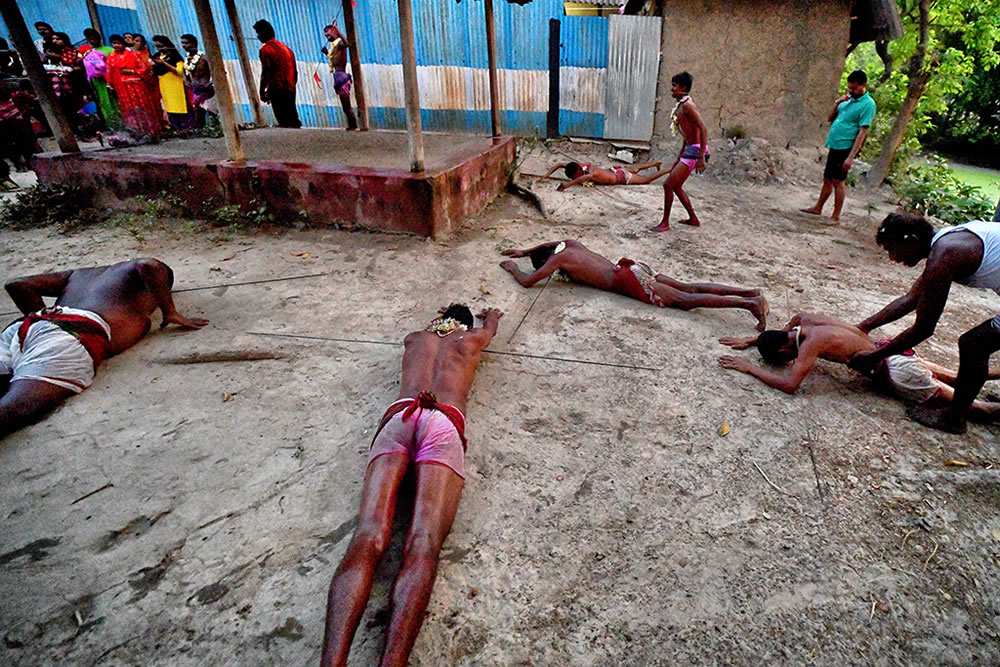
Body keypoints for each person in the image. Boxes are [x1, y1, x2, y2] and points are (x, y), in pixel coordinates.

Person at [321, 304, 503, 667]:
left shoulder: (415, 339)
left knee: (368, 535)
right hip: (443, 421)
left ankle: (331, 662)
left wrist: (439, 322)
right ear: (465, 326)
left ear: (437, 321)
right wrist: (490, 317)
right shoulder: (472, 341)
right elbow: (492, 326)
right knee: (423, 542)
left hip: (400, 416)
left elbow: (433, 335)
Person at [1, 259, 208, 438]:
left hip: (22, 329)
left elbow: (17, 285)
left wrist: (46, 322)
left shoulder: (79, 275)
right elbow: (150, 265)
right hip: (71, 335)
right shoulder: (137, 272)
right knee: (16, 407)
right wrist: (170, 311)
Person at [848, 213, 1000, 434]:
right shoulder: (944, 244)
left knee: (974, 344)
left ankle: (954, 417)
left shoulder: (945, 256)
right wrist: (863, 327)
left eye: (893, 249)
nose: (892, 258)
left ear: (912, 240)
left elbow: (924, 329)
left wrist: (875, 357)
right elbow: (911, 299)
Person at [718, 313, 1000, 423]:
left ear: (784, 351)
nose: (793, 360)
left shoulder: (811, 343)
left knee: (964, 403)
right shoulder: (807, 321)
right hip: (889, 349)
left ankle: (993, 411)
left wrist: (749, 368)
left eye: (786, 359)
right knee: (961, 375)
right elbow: (789, 326)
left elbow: (791, 385)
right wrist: (755, 339)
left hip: (896, 369)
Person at [499, 239, 768, 330]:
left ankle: (749, 304)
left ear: (548, 262)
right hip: (631, 266)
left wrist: (514, 269)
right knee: (688, 287)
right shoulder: (569, 245)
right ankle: (748, 294)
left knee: (686, 301)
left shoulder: (559, 260)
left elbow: (527, 282)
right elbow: (548, 244)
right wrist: (524, 251)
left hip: (627, 280)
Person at [800, 70, 876, 224]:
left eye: (855, 88)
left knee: (838, 181)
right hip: (835, 145)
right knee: (827, 178)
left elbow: (862, 133)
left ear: (863, 85)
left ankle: (836, 216)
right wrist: (837, 104)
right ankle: (818, 207)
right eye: (850, 88)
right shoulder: (847, 100)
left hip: (845, 147)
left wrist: (850, 157)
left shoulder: (868, 104)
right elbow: (830, 119)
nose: (852, 91)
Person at [651, 71, 709, 232]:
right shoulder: (682, 105)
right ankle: (693, 219)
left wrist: (701, 156)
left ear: (683, 87)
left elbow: (702, 128)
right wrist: (680, 155)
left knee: (668, 185)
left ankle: (665, 223)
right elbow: (687, 134)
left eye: (674, 86)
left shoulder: (688, 106)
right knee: (675, 186)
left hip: (696, 151)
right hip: (691, 150)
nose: (672, 89)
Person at [106, 34, 162, 142]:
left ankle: (150, 132)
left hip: (137, 87)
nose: (116, 45)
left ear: (123, 44)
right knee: (129, 109)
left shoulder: (133, 55)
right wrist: (109, 84)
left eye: (118, 43)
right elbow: (109, 72)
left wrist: (132, 72)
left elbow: (144, 69)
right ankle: (136, 132)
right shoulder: (110, 57)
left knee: (142, 107)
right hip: (121, 88)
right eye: (114, 43)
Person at [254, 19, 300, 128]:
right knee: (292, 117)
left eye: (258, 33)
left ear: (265, 33)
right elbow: (295, 72)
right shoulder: (287, 49)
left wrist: (262, 92)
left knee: (283, 119)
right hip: (290, 88)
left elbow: (266, 73)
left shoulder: (265, 50)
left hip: (277, 89)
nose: (257, 36)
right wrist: (292, 85)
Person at [79, 29, 121, 130]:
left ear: (100, 38)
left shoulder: (109, 50)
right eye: (90, 39)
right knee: (103, 101)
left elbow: (117, 63)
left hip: (111, 79)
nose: (93, 41)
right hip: (97, 82)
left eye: (95, 39)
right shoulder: (87, 52)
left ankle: (121, 123)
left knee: (115, 100)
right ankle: (111, 125)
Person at [320, 20, 357, 130]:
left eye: (328, 32)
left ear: (334, 31)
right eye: (325, 34)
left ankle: (353, 125)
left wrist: (337, 30)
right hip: (338, 75)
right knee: (345, 105)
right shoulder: (335, 46)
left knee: (346, 104)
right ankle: (351, 124)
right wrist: (327, 53)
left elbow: (347, 43)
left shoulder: (340, 42)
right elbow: (335, 60)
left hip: (341, 76)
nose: (326, 35)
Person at [543, 160, 669, 190]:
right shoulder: (580, 166)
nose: (574, 179)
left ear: (577, 172)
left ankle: (669, 170)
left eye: (573, 177)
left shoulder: (590, 173)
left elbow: (583, 178)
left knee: (647, 180)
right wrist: (547, 175)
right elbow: (560, 164)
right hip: (615, 170)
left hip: (621, 177)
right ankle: (656, 163)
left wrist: (566, 186)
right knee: (635, 170)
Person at [151, 35, 190, 131]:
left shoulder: (174, 56)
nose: (159, 49)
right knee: (169, 107)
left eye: (161, 46)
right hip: (163, 84)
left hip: (175, 83)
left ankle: (185, 128)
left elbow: (180, 71)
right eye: (157, 46)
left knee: (179, 106)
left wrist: (163, 63)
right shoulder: (156, 55)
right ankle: (176, 128)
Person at [179, 34, 215, 129]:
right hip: (195, 89)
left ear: (194, 44)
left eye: (186, 43)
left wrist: (209, 83)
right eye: (182, 43)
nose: (184, 45)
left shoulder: (203, 58)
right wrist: (185, 80)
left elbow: (215, 71)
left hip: (207, 89)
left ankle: (216, 128)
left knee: (212, 110)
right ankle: (200, 128)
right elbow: (184, 71)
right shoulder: (187, 59)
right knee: (198, 110)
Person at [0, 86, 37, 175]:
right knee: (11, 146)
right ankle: (21, 164)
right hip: (8, 124)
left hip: (14, 123)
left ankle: (25, 164)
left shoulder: (13, 98)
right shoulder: (11, 97)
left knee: (23, 144)